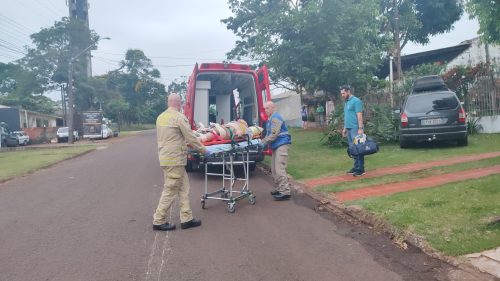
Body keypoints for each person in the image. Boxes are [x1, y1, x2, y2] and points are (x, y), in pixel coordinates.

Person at [152, 93, 207, 231]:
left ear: (168, 102)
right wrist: (203, 150)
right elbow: (191, 137)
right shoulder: (179, 117)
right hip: (175, 160)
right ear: (179, 103)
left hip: (166, 159)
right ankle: (158, 220)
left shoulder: (160, 117)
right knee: (170, 190)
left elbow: (172, 137)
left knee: (184, 188)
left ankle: (186, 218)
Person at [261, 101, 292, 201]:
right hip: (277, 145)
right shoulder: (270, 119)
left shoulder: (276, 118)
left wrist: (262, 143)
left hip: (281, 144)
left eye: (267, 108)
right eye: (265, 108)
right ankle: (280, 188)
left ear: (273, 108)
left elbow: (273, 135)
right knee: (274, 169)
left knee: (279, 169)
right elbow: (268, 134)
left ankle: (285, 192)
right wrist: (262, 142)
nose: (266, 110)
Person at [340, 85, 365, 177]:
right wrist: (344, 128)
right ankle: (355, 167)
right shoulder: (346, 102)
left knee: (359, 148)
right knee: (353, 149)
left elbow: (359, 115)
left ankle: (361, 169)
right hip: (349, 129)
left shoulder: (356, 101)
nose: (342, 95)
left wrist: (360, 128)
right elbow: (347, 116)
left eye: (343, 93)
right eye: (341, 93)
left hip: (356, 129)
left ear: (348, 91)